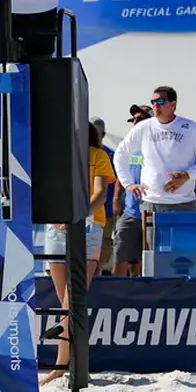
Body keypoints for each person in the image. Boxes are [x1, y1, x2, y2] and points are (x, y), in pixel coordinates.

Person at [40, 122, 115, 386]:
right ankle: (70, 363)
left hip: (88, 227)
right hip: (56, 228)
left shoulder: (98, 155)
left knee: (72, 298)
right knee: (66, 300)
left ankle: (62, 364)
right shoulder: (58, 157)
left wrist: (76, 217)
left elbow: (100, 194)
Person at [113, 86, 196, 214]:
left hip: (183, 202)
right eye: (153, 101)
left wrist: (188, 175)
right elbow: (121, 153)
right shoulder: (143, 127)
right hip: (151, 203)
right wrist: (127, 184)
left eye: (160, 101)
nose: (155, 105)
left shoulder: (190, 128)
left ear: (173, 105)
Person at [112, 104, 152, 276]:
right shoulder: (127, 145)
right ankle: (116, 291)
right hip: (130, 211)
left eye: (140, 119)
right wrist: (116, 198)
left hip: (151, 211)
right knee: (120, 254)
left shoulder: (157, 145)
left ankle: (140, 288)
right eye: (133, 120)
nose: (135, 122)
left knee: (145, 259)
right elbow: (121, 175)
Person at [90, 117, 118, 274]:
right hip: (83, 211)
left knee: (104, 244)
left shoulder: (110, 155)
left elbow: (116, 183)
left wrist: (115, 203)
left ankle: (98, 272)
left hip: (104, 211)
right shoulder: (76, 154)